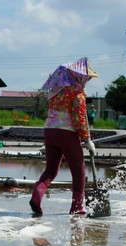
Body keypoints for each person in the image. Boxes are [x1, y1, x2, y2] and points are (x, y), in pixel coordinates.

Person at [30, 57, 98, 215]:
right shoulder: (77, 92)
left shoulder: (55, 90)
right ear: (78, 76)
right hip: (66, 133)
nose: (87, 80)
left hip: (49, 131)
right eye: (86, 77)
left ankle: (37, 195)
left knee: (51, 170)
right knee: (78, 169)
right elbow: (79, 118)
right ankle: (77, 206)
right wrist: (87, 139)